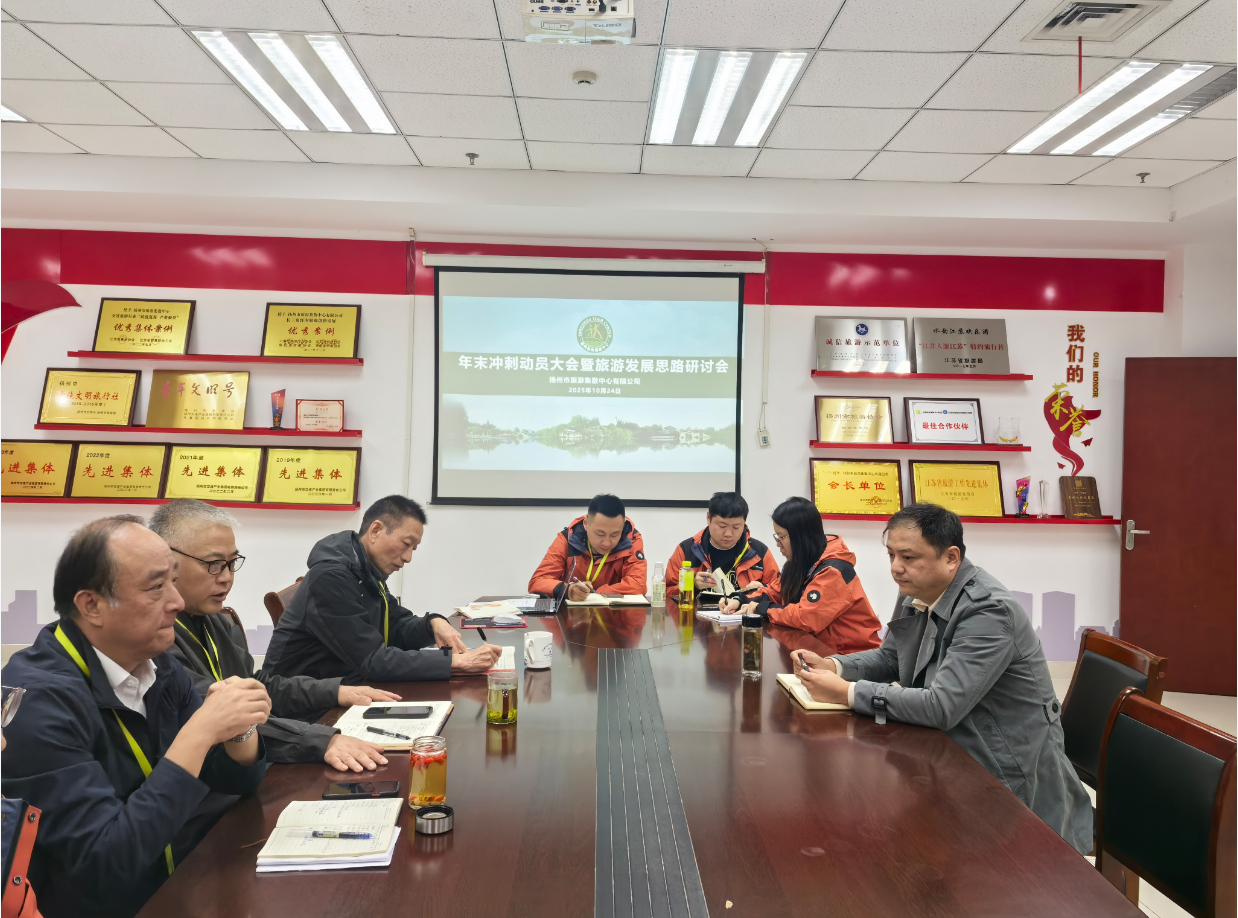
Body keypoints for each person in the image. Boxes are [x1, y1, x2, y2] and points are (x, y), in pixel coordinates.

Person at [1, 516, 269, 918]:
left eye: (173, 581)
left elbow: (235, 781)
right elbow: (106, 861)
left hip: (182, 880)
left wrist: (239, 726)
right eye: (156, 587)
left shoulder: (156, 663)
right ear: (91, 605)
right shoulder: (37, 701)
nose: (177, 602)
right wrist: (198, 734)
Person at [793, 502, 1092, 854]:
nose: (896, 568)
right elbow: (891, 657)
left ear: (951, 557)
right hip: (947, 750)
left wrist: (848, 692)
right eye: (891, 555)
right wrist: (835, 666)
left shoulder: (987, 611)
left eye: (908, 557)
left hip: (1004, 776)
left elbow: (941, 706)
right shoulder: (916, 589)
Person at [149, 500, 401, 773]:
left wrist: (337, 692)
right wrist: (322, 741)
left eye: (231, 563)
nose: (227, 578)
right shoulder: (153, 636)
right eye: (214, 564)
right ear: (166, 562)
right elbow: (218, 714)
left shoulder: (212, 619)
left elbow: (257, 686)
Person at [263, 495, 500, 689]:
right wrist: (454, 662)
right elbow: (373, 661)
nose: (408, 557)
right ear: (376, 530)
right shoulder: (331, 577)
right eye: (406, 544)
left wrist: (433, 623)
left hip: (349, 686)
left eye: (414, 548)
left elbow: (396, 629)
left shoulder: (365, 570)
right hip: (308, 708)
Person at [725, 497, 881, 654]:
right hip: (817, 651)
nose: (778, 544)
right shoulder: (800, 562)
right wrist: (740, 599)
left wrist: (764, 609)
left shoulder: (834, 570)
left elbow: (806, 618)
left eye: (782, 537)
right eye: (776, 537)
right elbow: (773, 592)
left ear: (801, 535)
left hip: (852, 657)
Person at [529, 494, 648, 602]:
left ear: (622, 527)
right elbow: (538, 582)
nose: (606, 543)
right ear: (586, 524)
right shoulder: (567, 539)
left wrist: (595, 593)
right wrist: (568, 590)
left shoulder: (631, 539)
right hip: (572, 616)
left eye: (614, 535)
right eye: (600, 534)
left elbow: (638, 585)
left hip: (614, 614)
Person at [664, 491, 779, 599]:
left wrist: (762, 590)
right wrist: (692, 585)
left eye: (736, 527)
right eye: (722, 526)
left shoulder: (759, 552)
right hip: (697, 614)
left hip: (742, 613)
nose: (728, 534)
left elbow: (779, 593)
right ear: (708, 518)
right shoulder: (687, 550)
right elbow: (667, 593)